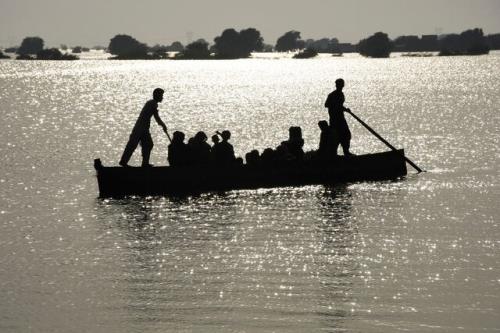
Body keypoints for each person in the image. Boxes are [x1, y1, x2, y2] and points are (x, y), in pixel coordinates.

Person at [119, 88, 168, 167]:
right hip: (140, 128)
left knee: (148, 144)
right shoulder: (152, 103)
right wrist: (163, 125)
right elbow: (156, 117)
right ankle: (124, 161)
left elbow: (155, 116)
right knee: (133, 144)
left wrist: (162, 125)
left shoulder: (152, 103)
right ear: (157, 95)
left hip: (144, 128)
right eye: (161, 95)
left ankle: (144, 163)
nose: (162, 97)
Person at [324, 78, 354, 156]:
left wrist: (345, 109)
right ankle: (334, 154)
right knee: (337, 136)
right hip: (335, 119)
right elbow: (326, 104)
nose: (341, 86)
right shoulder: (332, 95)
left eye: (341, 84)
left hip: (341, 118)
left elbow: (339, 106)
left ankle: (346, 151)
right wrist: (337, 106)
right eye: (339, 84)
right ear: (337, 85)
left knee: (346, 135)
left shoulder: (341, 94)